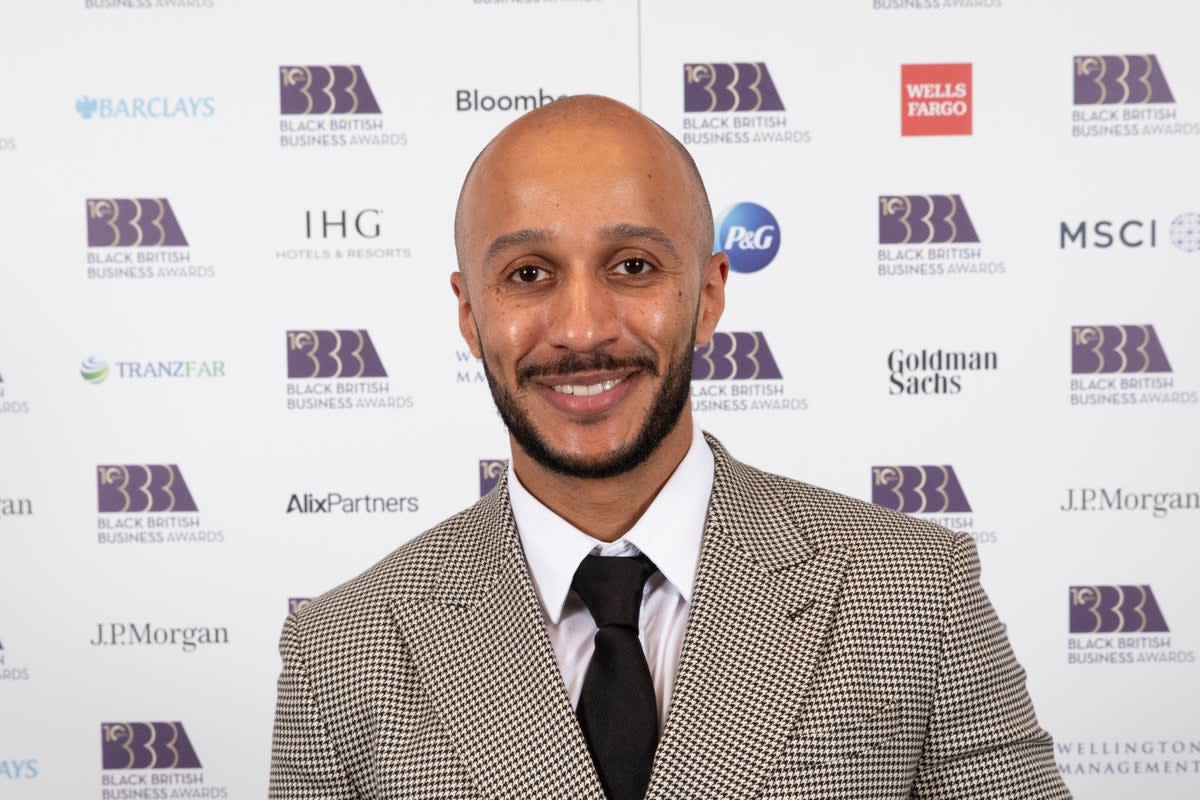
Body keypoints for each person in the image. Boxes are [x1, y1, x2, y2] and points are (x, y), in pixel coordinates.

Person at [269, 95, 1071, 799]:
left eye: (632, 265)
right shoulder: (338, 653)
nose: (582, 329)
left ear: (710, 294)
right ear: (471, 315)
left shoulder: (917, 594)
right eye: (528, 274)